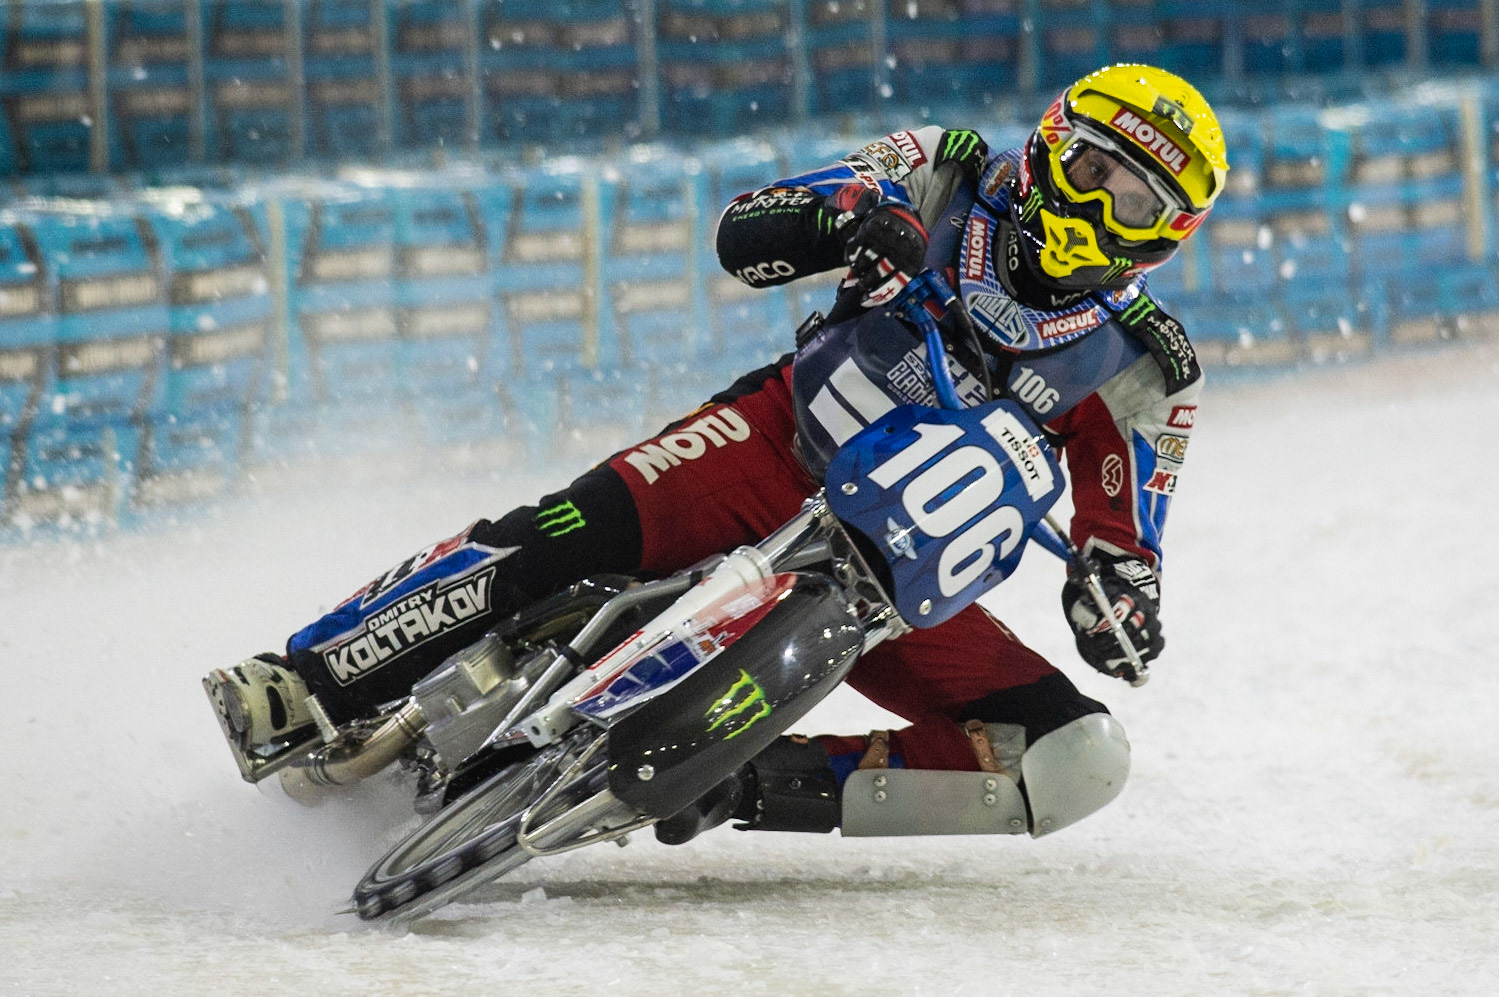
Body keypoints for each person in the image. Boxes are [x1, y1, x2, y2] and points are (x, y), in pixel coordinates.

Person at [206, 64, 1227, 845]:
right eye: (1091, 169)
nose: (1093, 205)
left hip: (902, 580)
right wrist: (849, 223)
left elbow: (1126, 539)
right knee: (567, 529)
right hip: (773, 444)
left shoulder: (1147, 365)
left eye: (1128, 200)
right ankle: (311, 678)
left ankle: (737, 779)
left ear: (1161, 235)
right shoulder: (945, 162)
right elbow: (746, 233)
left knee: (1074, 757)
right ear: (1051, 143)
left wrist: (1119, 602)